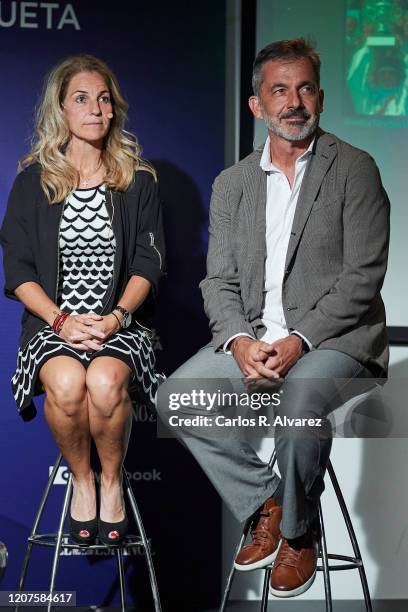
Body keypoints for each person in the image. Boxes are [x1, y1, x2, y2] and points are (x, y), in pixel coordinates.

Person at [156, 38, 389, 598]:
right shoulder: (232, 183)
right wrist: (238, 340)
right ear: (257, 105)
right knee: (175, 397)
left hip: (338, 342)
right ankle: (269, 502)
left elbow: (363, 276)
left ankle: (300, 535)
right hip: (255, 340)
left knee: (300, 400)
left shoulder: (354, 168)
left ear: (322, 97)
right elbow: (219, 281)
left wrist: (300, 341)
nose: (294, 101)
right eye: (279, 90)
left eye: (304, 87)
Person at [0, 55, 165, 546]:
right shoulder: (34, 181)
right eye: (81, 99)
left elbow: (149, 265)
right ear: (61, 110)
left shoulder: (137, 179)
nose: (95, 109)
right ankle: (83, 478)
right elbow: (18, 271)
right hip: (54, 326)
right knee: (70, 382)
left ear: (114, 110)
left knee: (106, 378)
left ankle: (112, 481)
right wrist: (61, 320)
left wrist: (115, 319)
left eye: (103, 99)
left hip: (122, 326)